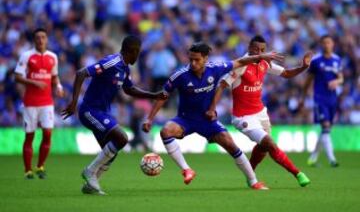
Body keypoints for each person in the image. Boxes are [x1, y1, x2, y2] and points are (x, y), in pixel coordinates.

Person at [142, 41, 284, 190]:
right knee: (165, 131)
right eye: (190, 59)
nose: (193, 63)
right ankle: (186, 169)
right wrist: (150, 118)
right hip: (185, 119)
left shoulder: (215, 69)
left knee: (231, 145)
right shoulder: (180, 75)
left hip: (207, 120)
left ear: (205, 59)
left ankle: (253, 181)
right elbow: (163, 95)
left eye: (197, 59)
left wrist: (261, 57)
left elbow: (240, 61)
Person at [61, 35, 167, 195]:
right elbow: (81, 73)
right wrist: (74, 102)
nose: (138, 56)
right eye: (138, 52)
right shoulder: (112, 62)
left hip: (102, 112)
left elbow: (129, 89)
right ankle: (90, 172)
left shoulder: (124, 68)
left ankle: (92, 185)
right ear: (132, 51)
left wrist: (154, 95)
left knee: (111, 152)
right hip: (89, 110)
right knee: (122, 138)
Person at [206, 35, 311, 187]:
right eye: (256, 49)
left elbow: (286, 74)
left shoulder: (264, 63)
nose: (260, 52)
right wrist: (212, 109)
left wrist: (303, 67)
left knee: (264, 148)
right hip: (243, 117)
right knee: (270, 143)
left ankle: (251, 172)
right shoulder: (241, 65)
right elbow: (222, 85)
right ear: (249, 48)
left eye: (262, 49)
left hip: (261, 113)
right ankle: (298, 174)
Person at [14, 28, 64, 179]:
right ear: (34, 40)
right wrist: (34, 82)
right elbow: (17, 76)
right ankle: (28, 170)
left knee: (47, 134)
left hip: (47, 102)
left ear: (47, 39)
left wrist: (59, 86)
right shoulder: (27, 56)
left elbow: (54, 76)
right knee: (30, 136)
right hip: (30, 102)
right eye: (38, 37)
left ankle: (40, 166)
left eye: (43, 37)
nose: (40, 40)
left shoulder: (52, 57)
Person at [301, 35, 343, 167]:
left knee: (327, 129)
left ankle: (313, 157)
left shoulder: (337, 60)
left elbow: (341, 78)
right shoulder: (316, 61)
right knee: (325, 126)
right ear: (321, 44)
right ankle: (332, 159)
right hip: (320, 98)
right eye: (324, 43)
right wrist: (303, 96)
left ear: (333, 44)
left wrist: (337, 81)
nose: (326, 45)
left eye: (328, 42)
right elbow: (308, 80)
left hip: (332, 98)